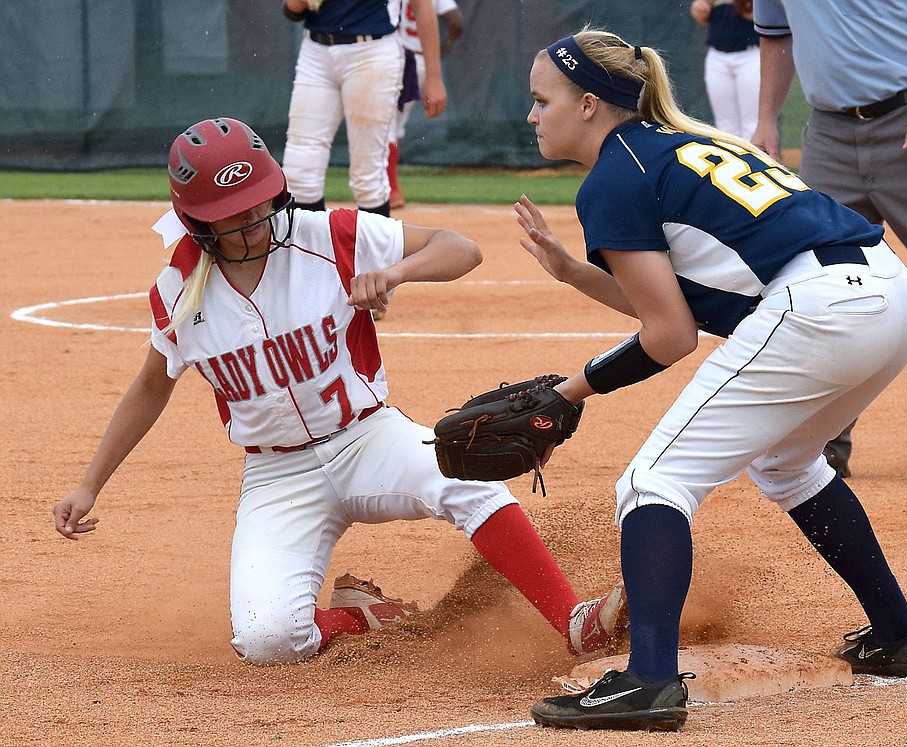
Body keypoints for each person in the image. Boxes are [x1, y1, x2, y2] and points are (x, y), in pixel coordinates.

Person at [51, 117, 627, 667]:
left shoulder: (323, 234)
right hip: (277, 476)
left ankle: (574, 622)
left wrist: (397, 273)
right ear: (198, 220)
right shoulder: (178, 291)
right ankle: (362, 617)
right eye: (232, 213)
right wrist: (88, 484)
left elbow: (461, 248)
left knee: (470, 484)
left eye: (257, 201)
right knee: (268, 640)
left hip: (366, 437)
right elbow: (151, 387)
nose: (252, 218)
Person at [514, 29, 907, 732]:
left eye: (542, 100)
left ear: (589, 104)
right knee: (787, 462)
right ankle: (900, 635)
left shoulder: (614, 177)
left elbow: (669, 339)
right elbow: (674, 308)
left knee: (653, 483)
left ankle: (648, 680)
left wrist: (571, 391)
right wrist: (572, 272)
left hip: (821, 308)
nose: (532, 116)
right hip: (888, 295)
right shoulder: (676, 144)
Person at [752, 0, 907, 478]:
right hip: (828, 134)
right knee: (821, 285)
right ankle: (821, 447)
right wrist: (767, 119)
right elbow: (776, 35)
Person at [281, 0, 447, 216]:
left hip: (372, 52)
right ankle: (310, 248)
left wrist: (434, 77)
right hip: (315, 52)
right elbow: (292, 12)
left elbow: (422, 5)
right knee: (299, 172)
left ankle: (376, 250)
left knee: (368, 174)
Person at [388, 0, 466, 209]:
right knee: (394, 124)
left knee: (388, 124)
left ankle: (391, 190)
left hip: (396, 56)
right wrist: (443, 49)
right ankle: (389, 188)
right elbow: (456, 22)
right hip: (422, 60)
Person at [689, 0, 760, 140]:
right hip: (717, 54)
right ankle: (733, 162)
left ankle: (754, 162)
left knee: (753, 125)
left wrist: (749, 7)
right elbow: (702, 11)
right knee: (725, 128)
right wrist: (699, 8)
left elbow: (764, 14)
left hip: (751, 53)